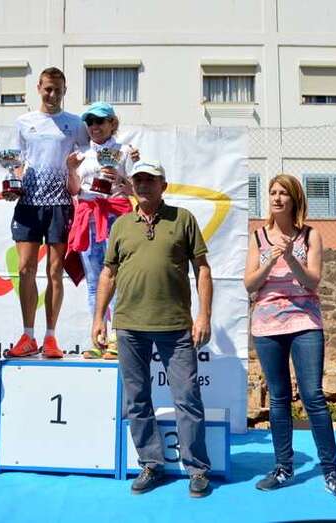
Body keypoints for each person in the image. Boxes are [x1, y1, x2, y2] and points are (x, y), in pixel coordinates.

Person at [91, 160, 213, 498]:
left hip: (175, 326)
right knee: (136, 399)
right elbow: (108, 274)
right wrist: (98, 317)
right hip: (129, 326)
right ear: (132, 185)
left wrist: (204, 316)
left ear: (164, 185)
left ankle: (198, 470)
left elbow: (202, 269)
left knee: (187, 398)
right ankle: (151, 463)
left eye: (151, 179)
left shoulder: (183, 219)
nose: (144, 184)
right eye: (139, 179)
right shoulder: (121, 225)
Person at [244, 173, 336, 502]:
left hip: (305, 322)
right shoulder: (258, 237)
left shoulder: (311, 236)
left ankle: (332, 473)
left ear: (295, 199)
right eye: (272, 192)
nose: (277, 198)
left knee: (313, 397)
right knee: (278, 399)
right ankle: (283, 468)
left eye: (284, 193)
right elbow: (250, 285)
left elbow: (312, 282)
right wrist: (271, 259)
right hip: (267, 326)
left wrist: (291, 256)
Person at [4, 66, 89, 358]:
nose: (52, 95)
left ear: (65, 91)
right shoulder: (23, 122)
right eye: (47, 89)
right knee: (26, 269)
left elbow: (87, 158)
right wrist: (14, 183)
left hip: (60, 205)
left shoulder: (75, 123)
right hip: (28, 204)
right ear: (38, 88)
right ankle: (28, 335)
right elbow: (15, 161)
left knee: (55, 271)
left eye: (58, 90)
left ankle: (51, 336)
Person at [67, 101, 134, 359]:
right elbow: (74, 190)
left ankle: (118, 337)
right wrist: (72, 169)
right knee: (94, 282)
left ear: (112, 124)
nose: (95, 126)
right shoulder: (81, 152)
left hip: (116, 218)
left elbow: (134, 190)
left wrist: (118, 178)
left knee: (116, 277)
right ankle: (98, 337)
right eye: (91, 122)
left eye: (100, 121)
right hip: (88, 220)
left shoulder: (125, 151)